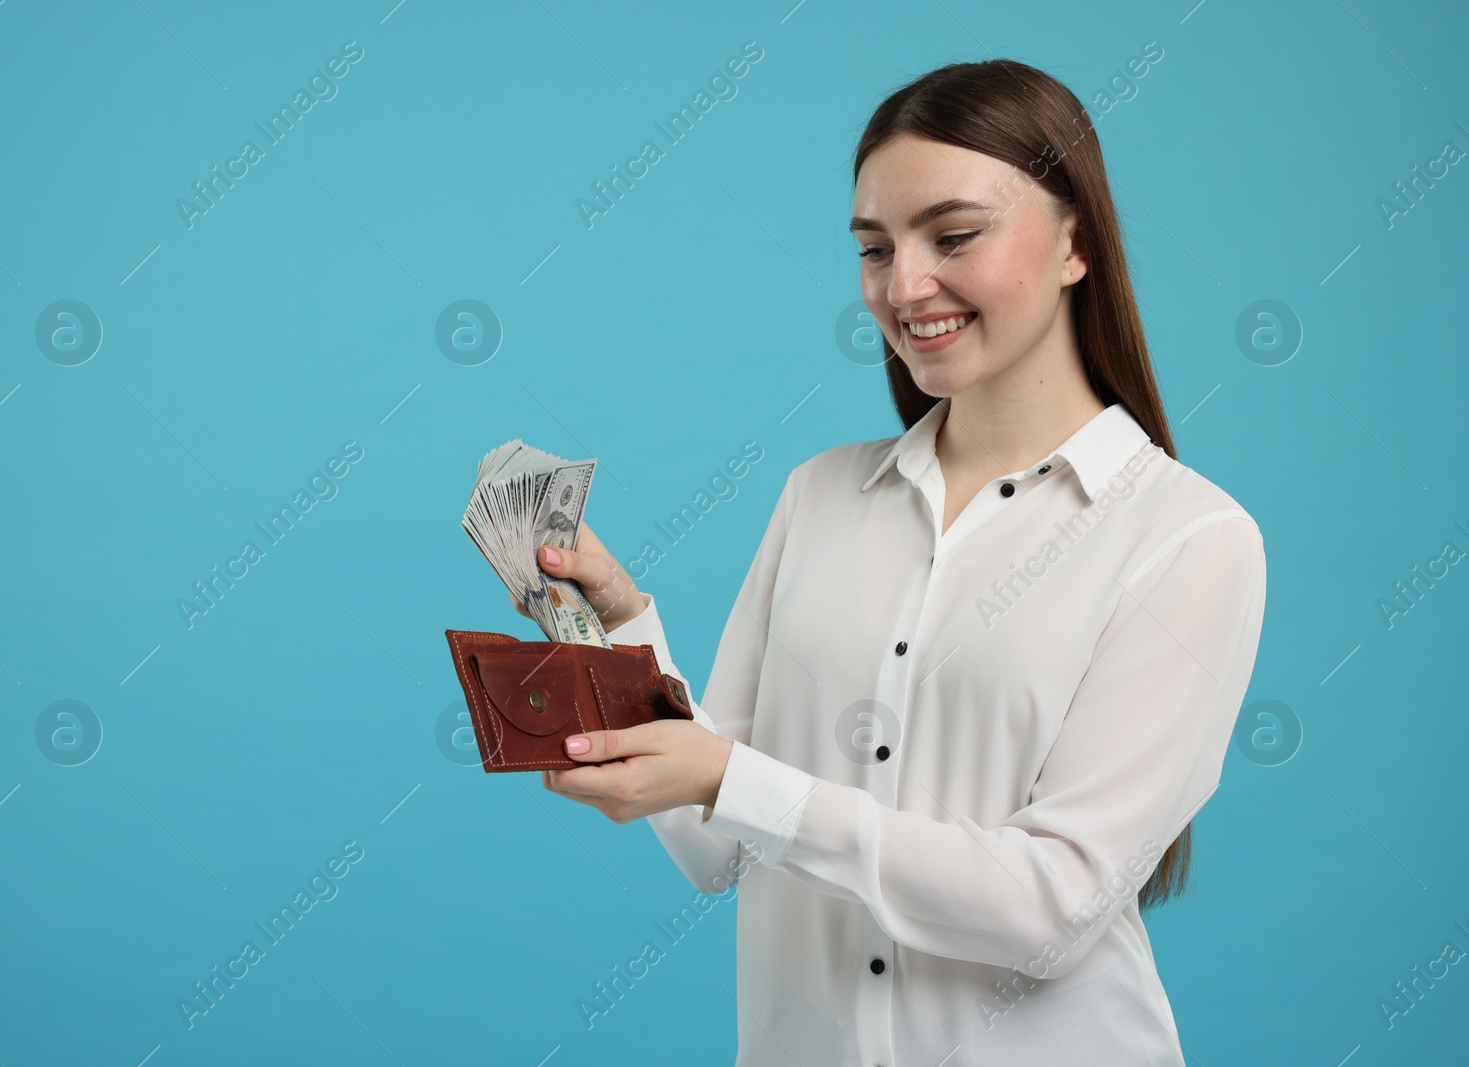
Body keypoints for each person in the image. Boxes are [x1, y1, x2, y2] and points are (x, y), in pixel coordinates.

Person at [516, 57, 1267, 1066]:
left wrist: (736, 778)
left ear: (1074, 242)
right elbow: (719, 841)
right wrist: (618, 627)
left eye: (953, 236)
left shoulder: (1187, 538)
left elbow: (1054, 906)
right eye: (874, 249)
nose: (904, 286)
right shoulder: (819, 494)